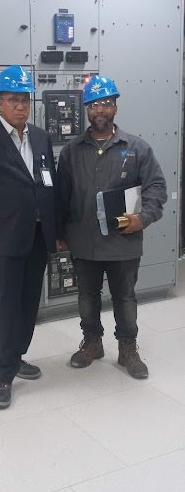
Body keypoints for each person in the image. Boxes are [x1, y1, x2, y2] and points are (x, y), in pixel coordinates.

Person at [0, 65, 62, 409]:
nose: (20, 106)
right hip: (4, 238)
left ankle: (17, 356)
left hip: (37, 236)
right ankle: (3, 373)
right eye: (13, 99)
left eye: (25, 99)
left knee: (29, 301)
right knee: (7, 306)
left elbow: (49, 185)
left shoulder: (40, 137)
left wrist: (56, 230)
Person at [57, 75, 167, 379]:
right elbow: (61, 197)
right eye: (94, 105)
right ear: (86, 110)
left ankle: (127, 348)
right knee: (87, 297)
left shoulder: (136, 148)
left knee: (125, 297)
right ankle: (92, 343)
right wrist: (59, 233)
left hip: (123, 241)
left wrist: (142, 218)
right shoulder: (71, 151)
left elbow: (156, 188)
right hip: (83, 241)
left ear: (115, 107)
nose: (100, 110)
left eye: (106, 103)